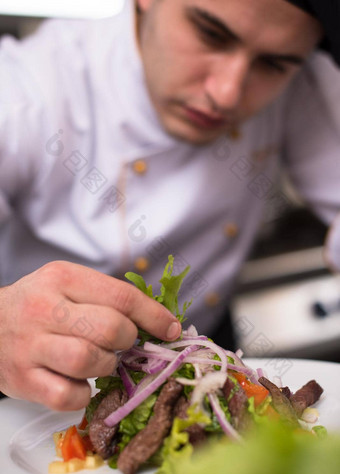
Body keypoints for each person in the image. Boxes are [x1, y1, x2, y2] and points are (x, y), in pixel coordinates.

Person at [0, 0, 339, 410]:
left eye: (272, 64)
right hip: (33, 378)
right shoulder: (25, 92)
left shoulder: (301, 82)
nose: (225, 94)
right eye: (210, 34)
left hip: (204, 349)